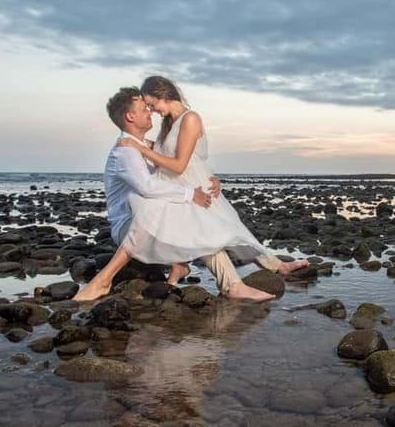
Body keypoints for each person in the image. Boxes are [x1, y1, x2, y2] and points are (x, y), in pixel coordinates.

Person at [73, 87, 283, 302]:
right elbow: (147, 187)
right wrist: (190, 194)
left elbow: (183, 166)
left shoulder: (143, 147)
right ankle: (105, 279)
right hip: (131, 228)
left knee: (193, 216)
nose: (150, 112)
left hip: (152, 226)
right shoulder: (125, 151)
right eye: (144, 108)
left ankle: (226, 281)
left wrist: (209, 179)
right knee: (156, 205)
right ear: (130, 116)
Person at [116, 76, 308, 293]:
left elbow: (179, 165)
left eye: (153, 104)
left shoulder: (190, 119)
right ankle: (238, 279)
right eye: (149, 107)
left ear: (164, 95)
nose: (153, 111)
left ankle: (269, 269)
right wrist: (138, 144)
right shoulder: (169, 124)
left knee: (228, 231)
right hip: (184, 187)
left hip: (194, 186)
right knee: (213, 232)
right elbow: (167, 152)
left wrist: (140, 148)